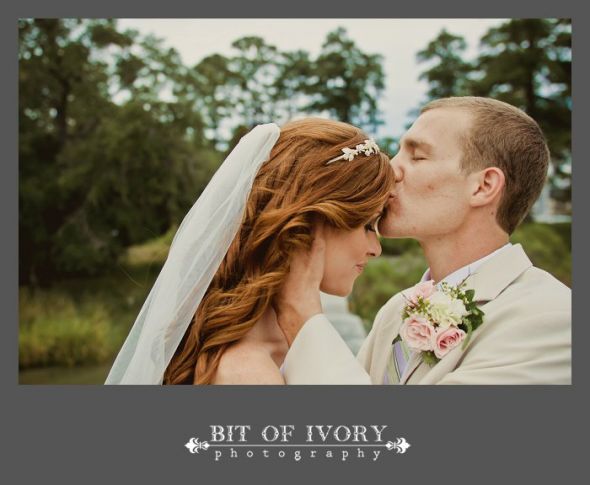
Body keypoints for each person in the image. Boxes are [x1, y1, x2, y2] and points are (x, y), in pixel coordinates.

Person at [276, 96, 571, 385]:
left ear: (483, 186)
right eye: (397, 153)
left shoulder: (553, 318)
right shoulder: (396, 310)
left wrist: (300, 312)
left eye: (417, 156)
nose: (390, 170)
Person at [104, 118, 395, 384]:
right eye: (367, 225)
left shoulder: (285, 343)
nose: (376, 249)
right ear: (310, 223)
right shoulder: (249, 373)